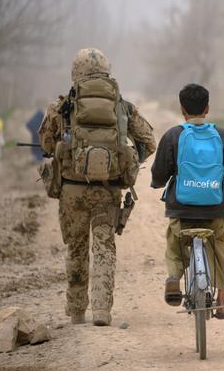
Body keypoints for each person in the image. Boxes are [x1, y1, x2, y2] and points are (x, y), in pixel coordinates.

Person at [39, 47, 156, 326]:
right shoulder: (122, 106)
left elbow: (45, 144)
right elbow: (149, 141)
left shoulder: (62, 106)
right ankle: (102, 311)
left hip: (71, 191)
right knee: (104, 248)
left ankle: (77, 312)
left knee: (77, 248)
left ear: (75, 72)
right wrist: (128, 159)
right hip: (108, 189)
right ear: (107, 70)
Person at [151, 83, 224, 319]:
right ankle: (222, 302)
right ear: (207, 108)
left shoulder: (173, 135)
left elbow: (159, 175)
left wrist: (158, 183)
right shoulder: (223, 136)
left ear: (182, 109)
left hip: (181, 210)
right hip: (216, 210)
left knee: (174, 243)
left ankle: (174, 276)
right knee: (219, 246)